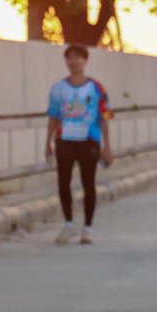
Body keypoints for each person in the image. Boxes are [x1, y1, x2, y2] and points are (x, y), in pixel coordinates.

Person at [44, 44, 114, 245]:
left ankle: (87, 228)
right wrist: (48, 143)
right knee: (63, 182)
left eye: (78, 57)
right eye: (69, 58)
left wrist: (107, 146)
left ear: (85, 60)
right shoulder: (59, 88)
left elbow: (104, 117)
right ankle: (68, 224)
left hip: (88, 140)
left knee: (88, 183)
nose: (73, 61)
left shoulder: (96, 88)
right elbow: (53, 117)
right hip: (65, 140)